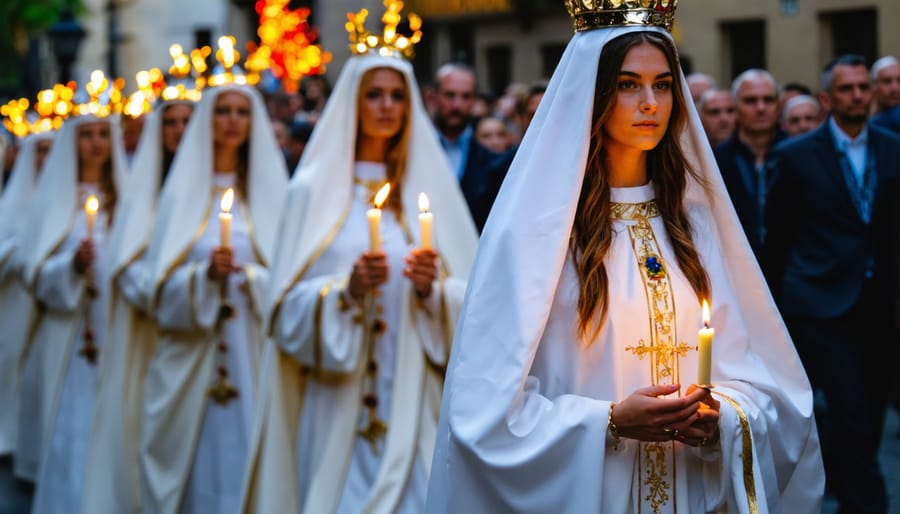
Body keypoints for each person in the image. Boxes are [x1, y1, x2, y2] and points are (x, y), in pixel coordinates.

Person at [426, 8, 823, 514]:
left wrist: (720, 416)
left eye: (662, 85)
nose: (650, 104)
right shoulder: (538, 233)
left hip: (690, 490)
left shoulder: (697, 224)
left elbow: (770, 384)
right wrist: (610, 420)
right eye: (628, 85)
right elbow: (484, 411)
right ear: (591, 96)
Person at [239, 15, 478, 513]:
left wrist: (433, 290)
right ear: (353, 101)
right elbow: (282, 313)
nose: (387, 106)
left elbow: (477, 307)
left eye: (397, 95)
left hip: (413, 394)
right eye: (375, 94)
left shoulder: (432, 191)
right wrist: (343, 293)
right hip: (335, 399)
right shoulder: (311, 194)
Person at [138, 82, 287, 514]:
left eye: (243, 112)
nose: (233, 121)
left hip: (253, 348)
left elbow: (289, 280)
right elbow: (156, 289)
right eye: (223, 111)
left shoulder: (271, 194)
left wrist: (251, 278)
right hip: (191, 357)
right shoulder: (180, 195)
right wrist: (203, 278)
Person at [764, 54, 900, 514]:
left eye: (864, 87)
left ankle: (849, 484)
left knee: (873, 408)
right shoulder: (796, 156)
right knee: (850, 410)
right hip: (822, 303)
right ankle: (869, 502)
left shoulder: (893, 147)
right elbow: (778, 238)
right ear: (827, 98)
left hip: (879, 302)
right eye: (847, 89)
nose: (858, 95)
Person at [80, 95, 195, 514]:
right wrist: (165, 295)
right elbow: (125, 262)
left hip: (199, 334)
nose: (180, 132)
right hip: (152, 330)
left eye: (188, 121)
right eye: (171, 123)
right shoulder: (144, 191)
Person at [17, 91, 128, 513]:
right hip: (67, 336)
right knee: (71, 423)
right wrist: (69, 268)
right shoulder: (54, 200)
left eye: (103, 134)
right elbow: (32, 270)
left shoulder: (126, 201)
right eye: (87, 135)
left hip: (113, 329)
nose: (96, 143)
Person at [0, 127, 54, 468]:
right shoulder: (12, 201)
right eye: (40, 151)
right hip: (15, 302)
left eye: (53, 151)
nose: (46, 159)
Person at [432, 62, 513, 232]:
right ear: (433, 97)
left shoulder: (492, 161)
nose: (457, 105)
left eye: (465, 96)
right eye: (449, 95)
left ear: (475, 100)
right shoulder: (413, 151)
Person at [714, 68, 783, 259]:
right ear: (735, 106)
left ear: (778, 105)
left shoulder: (796, 155)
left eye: (768, 100)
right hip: (737, 265)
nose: (760, 108)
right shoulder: (717, 160)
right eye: (751, 101)